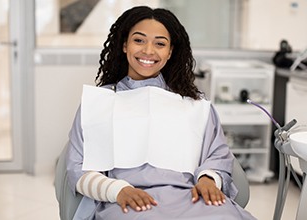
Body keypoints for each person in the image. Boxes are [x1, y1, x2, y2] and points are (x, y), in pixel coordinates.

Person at [66, 6, 256, 220]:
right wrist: (117, 190)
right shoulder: (99, 102)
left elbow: (218, 154)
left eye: (160, 43)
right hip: (128, 201)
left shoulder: (194, 105)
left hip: (191, 198)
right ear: (124, 45)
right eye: (139, 40)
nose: (148, 51)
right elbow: (78, 167)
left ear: (170, 51)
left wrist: (208, 179)